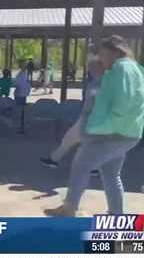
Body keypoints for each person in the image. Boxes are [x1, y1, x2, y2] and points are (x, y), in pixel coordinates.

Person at [45, 35, 144, 216]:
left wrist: (101, 126)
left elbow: (122, 104)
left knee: (80, 165)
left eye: (103, 55)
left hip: (111, 132)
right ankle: (116, 213)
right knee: (111, 174)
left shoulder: (121, 69)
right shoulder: (135, 68)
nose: (101, 60)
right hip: (128, 132)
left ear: (113, 52)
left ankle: (69, 208)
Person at [40, 57, 105, 170]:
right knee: (70, 139)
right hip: (87, 117)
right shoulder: (95, 82)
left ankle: (93, 168)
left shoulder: (99, 83)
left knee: (87, 143)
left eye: (91, 67)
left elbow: (97, 101)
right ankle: (54, 159)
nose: (89, 70)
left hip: (90, 117)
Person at [13, 59, 32, 133]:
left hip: (20, 94)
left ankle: (20, 127)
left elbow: (17, 83)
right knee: (21, 111)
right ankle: (21, 127)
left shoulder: (22, 74)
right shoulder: (23, 74)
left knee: (20, 111)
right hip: (21, 94)